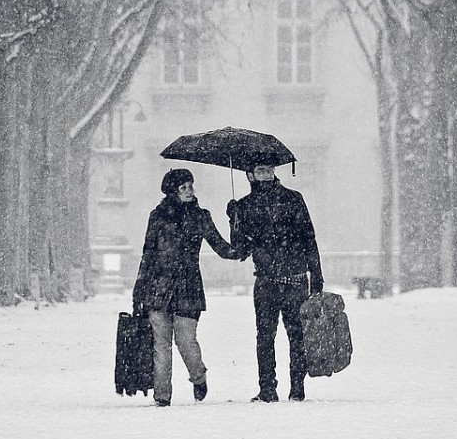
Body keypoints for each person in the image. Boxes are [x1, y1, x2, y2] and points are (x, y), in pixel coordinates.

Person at [132, 168, 241, 407]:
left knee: (186, 341)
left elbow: (221, 247)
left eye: (191, 186)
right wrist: (138, 293)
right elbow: (148, 254)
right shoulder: (157, 216)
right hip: (157, 289)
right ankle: (162, 396)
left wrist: (239, 238)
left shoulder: (201, 216)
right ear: (172, 192)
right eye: (184, 187)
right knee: (161, 346)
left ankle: (198, 376)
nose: (190, 191)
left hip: (188, 288)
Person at [226, 160, 324, 403]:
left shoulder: (293, 198)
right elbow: (241, 250)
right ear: (250, 175)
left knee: (297, 335)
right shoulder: (245, 206)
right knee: (265, 336)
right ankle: (267, 388)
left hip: (295, 279)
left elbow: (308, 238)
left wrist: (317, 275)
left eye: (269, 170)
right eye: (260, 171)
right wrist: (233, 219)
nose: (267, 174)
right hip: (266, 281)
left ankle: (297, 387)